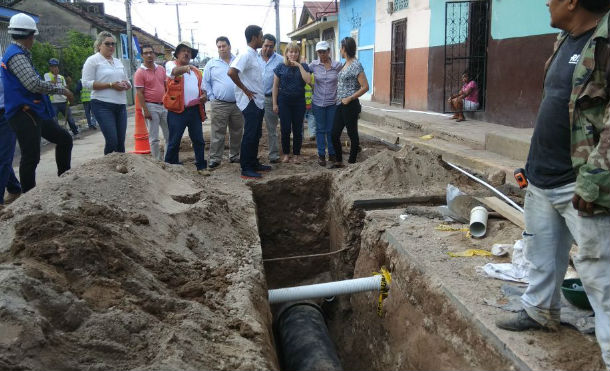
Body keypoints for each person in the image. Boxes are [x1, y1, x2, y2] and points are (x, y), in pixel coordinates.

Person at [495, 1, 610, 368]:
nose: (546, 1)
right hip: (543, 174)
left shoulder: (605, 44)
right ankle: (540, 311)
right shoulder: (565, 39)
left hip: (581, 181)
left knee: (599, 275)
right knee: (541, 253)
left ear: (574, 1)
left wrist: (593, 181)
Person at [1, 13, 73, 194]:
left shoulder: (19, 53)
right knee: (31, 156)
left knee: (64, 139)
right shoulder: (15, 56)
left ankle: (64, 180)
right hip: (24, 113)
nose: (34, 39)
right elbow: (32, 84)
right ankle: (29, 197)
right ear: (29, 35)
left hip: (33, 111)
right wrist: (61, 89)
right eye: (33, 36)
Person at [228, 25, 272, 179]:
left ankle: (253, 163)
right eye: (261, 36)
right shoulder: (245, 54)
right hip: (250, 102)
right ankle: (246, 168)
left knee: (256, 135)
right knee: (250, 135)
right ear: (254, 38)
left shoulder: (255, 55)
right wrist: (245, 90)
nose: (262, 39)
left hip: (258, 101)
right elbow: (231, 72)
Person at [81, 31, 131, 155]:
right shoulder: (92, 60)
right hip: (102, 105)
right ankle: (108, 168)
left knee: (120, 142)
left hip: (120, 105)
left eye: (113, 44)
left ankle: (122, 169)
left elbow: (127, 80)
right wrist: (110, 85)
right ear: (99, 45)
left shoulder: (118, 61)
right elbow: (86, 83)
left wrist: (127, 84)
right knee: (112, 140)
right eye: (107, 44)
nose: (111, 47)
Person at [164, 41, 209, 175]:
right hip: (177, 110)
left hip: (194, 110)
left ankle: (201, 167)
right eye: (183, 50)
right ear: (177, 54)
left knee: (198, 140)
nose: (186, 53)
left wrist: (204, 96)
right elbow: (173, 72)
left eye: (189, 51)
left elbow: (203, 89)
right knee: (174, 141)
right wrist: (186, 68)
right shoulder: (171, 65)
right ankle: (168, 168)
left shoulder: (196, 71)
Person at [203, 36, 243, 169]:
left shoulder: (238, 61)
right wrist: (212, 97)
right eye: (219, 46)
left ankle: (235, 155)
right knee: (217, 132)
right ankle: (215, 158)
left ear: (229, 46)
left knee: (237, 131)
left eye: (224, 46)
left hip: (238, 103)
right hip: (219, 103)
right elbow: (206, 82)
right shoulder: (211, 63)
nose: (221, 49)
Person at [330, 37, 369, 168]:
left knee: (353, 134)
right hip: (340, 104)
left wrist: (350, 98)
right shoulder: (344, 64)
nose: (340, 50)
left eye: (341, 47)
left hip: (350, 105)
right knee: (334, 134)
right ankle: (339, 161)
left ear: (344, 48)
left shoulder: (356, 65)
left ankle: (352, 162)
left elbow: (365, 87)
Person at [272, 42, 311, 163]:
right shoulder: (280, 67)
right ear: (286, 53)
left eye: (295, 52)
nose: (293, 54)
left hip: (299, 101)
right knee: (285, 128)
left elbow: (308, 80)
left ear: (299, 53)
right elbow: (275, 86)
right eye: (291, 51)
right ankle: (286, 154)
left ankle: (297, 154)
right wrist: (274, 103)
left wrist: (299, 65)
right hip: (284, 101)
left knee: (298, 129)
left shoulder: (304, 66)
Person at [309, 40, 342, 166]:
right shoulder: (313, 65)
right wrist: (311, 84)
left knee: (331, 130)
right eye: (320, 52)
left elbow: (344, 77)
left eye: (324, 51)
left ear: (329, 51)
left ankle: (332, 154)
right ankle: (321, 155)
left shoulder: (337, 65)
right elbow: (305, 75)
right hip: (317, 103)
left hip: (332, 103)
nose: (322, 54)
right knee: (320, 129)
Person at [134, 44, 169, 161]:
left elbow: (166, 87)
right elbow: (140, 93)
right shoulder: (140, 72)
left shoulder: (161, 69)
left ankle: (168, 160)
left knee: (169, 135)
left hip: (164, 106)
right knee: (154, 138)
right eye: (146, 53)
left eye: (150, 52)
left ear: (154, 54)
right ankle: (157, 161)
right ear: (142, 55)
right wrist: (145, 110)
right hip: (151, 106)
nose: (149, 55)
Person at [258, 34, 283, 164]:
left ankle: (273, 155)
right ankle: (252, 155)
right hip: (255, 98)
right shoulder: (253, 58)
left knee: (272, 129)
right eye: (266, 46)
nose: (268, 49)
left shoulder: (280, 60)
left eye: (271, 46)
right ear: (262, 44)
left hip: (270, 98)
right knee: (254, 129)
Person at [44, 58, 79, 137]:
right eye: (53, 66)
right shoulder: (47, 75)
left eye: (56, 66)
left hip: (63, 101)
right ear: (50, 67)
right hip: (54, 102)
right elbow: (50, 86)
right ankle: (57, 136)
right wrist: (55, 76)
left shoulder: (62, 77)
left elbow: (65, 88)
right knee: (55, 120)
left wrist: (69, 83)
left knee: (70, 119)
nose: (55, 68)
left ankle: (75, 133)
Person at [0, 76, 21, 207]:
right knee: (2, 158)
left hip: (5, 114)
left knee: (3, 157)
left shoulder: (4, 65)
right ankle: (14, 188)